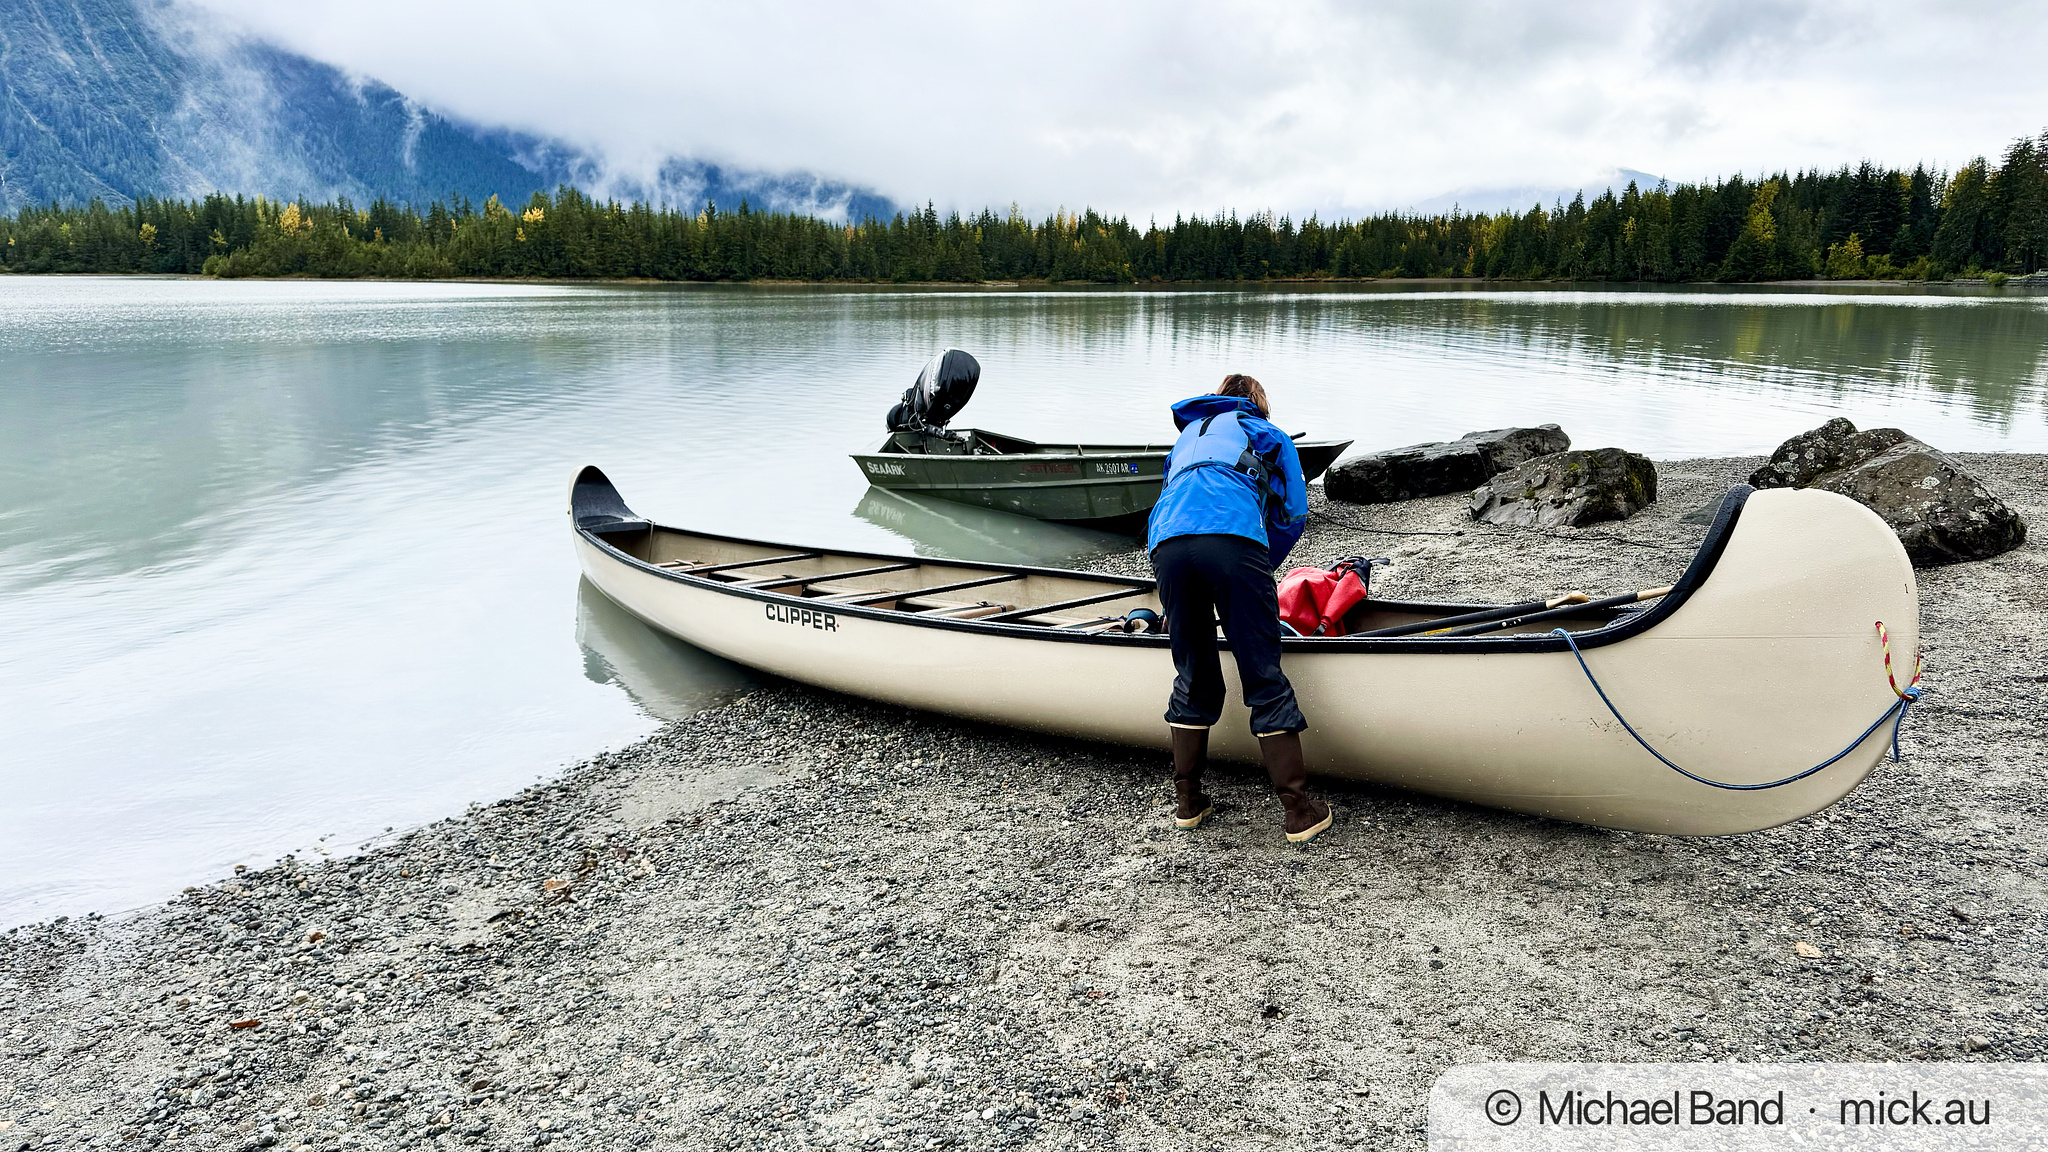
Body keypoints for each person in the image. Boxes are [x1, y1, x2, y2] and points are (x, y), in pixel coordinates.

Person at [1145, 374, 1332, 843]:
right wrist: (1258, 571)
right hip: (1233, 542)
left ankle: (1188, 802)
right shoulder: (1267, 434)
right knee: (1262, 672)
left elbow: (1171, 496)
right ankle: (1298, 810)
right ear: (1257, 404)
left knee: (1192, 670)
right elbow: (1292, 514)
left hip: (1166, 546)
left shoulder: (1188, 436)